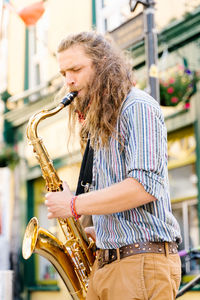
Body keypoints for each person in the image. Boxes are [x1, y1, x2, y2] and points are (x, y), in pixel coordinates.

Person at [44, 31, 182, 300]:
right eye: (63, 73)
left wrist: (73, 205)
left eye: (76, 69)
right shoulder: (102, 123)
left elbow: (145, 186)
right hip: (112, 265)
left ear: (104, 65)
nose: (69, 80)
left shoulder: (137, 107)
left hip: (139, 264)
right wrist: (106, 228)